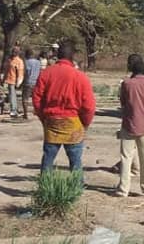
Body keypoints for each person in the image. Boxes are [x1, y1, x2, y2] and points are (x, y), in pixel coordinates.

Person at [32, 42, 96, 179]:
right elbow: (88, 105)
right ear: (72, 56)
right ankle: (76, 188)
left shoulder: (46, 73)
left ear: (57, 54)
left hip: (52, 120)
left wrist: (43, 117)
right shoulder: (80, 77)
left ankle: (45, 187)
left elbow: (37, 98)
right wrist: (85, 123)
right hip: (73, 122)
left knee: (48, 158)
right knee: (75, 160)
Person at [115, 54, 144, 197]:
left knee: (126, 158)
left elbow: (123, 103)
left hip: (129, 124)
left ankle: (123, 189)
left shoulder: (126, 84)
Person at [4, 46, 25, 117]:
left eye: (15, 51)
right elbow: (7, 70)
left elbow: (20, 72)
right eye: (13, 51)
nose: (13, 53)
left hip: (14, 81)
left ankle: (14, 110)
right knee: (11, 95)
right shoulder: (10, 60)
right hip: (9, 80)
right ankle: (14, 109)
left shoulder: (19, 61)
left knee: (13, 95)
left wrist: (19, 81)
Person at [22, 48, 42, 120]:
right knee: (35, 98)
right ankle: (36, 111)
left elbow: (26, 72)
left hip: (28, 82)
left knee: (25, 98)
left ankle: (25, 113)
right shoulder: (38, 62)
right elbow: (40, 72)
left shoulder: (26, 62)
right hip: (36, 82)